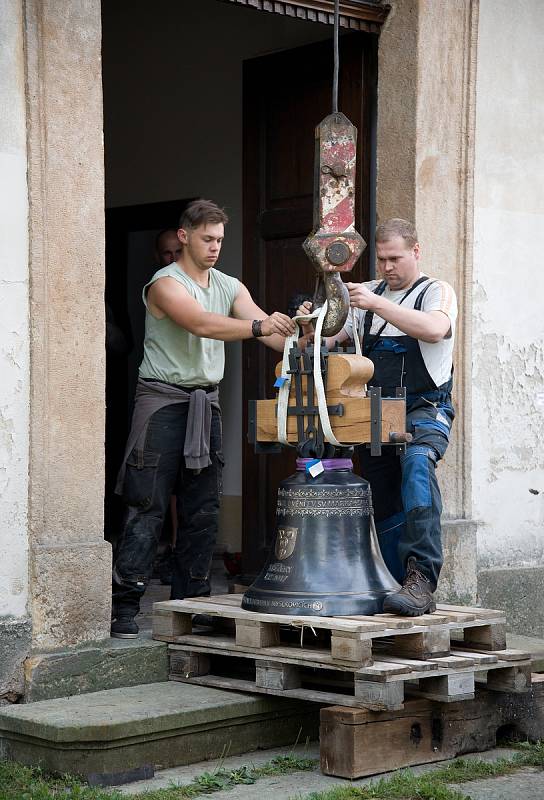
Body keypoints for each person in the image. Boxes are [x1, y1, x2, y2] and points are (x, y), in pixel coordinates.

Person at [111, 199, 296, 638]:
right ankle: (125, 608)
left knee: (202, 510)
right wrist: (260, 328)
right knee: (146, 505)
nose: (215, 247)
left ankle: (192, 604)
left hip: (204, 404)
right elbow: (202, 324)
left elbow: (267, 332)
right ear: (184, 237)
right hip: (161, 402)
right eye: (207, 239)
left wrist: (301, 335)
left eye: (219, 240)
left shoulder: (229, 285)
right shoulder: (164, 283)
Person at [298, 218, 457, 616]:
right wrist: (310, 323)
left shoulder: (435, 291)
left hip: (425, 407)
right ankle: (390, 581)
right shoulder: (364, 295)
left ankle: (421, 579)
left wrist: (376, 302)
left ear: (416, 252)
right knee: (380, 493)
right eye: (382, 259)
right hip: (373, 413)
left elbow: (435, 330)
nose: (387, 267)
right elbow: (324, 341)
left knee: (418, 465)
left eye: (396, 258)